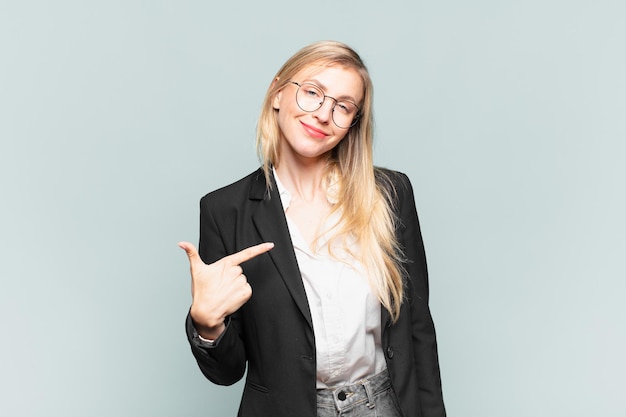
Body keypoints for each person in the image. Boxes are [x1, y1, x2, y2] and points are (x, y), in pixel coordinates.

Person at [179, 40, 446, 417]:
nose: (323, 114)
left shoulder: (390, 193)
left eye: (343, 106)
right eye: (312, 93)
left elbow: (419, 331)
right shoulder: (225, 211)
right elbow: (227, 371)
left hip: (385, 405)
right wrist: (208, 325)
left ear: (353, 122)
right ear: (277, 94)